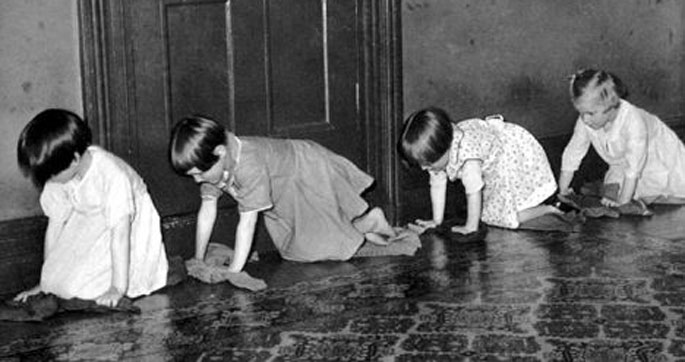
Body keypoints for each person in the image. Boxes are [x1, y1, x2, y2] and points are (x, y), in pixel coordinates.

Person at [169, 116, 399, 273]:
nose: (197, 180)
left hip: (306, 170)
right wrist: (198, 257)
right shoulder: (216, 161)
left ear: (219, 152)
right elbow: (207, 210)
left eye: (199, 174)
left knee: (315, 248)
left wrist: (234, 271)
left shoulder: (248, 163)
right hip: (285, 190)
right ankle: (363, 225)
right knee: (292, 249)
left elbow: (247, 223)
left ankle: (369, 221)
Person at [15, 109, 169, 308]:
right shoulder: (59, 174)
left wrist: (117, 288)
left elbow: (120, 235)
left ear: (74, 160)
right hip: (89, 217)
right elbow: (55, 225)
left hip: (126, 222)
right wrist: (45, 283)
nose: (49, 180)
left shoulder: (112, 175)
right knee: (58, 284)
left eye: (52, 174)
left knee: (79, 290)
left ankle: (117, 280)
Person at [398, 107, 559, 233]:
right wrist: (436, 220)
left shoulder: (469, 158)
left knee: (503, 218)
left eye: (427, 163)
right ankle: (532, 208)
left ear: (446, 148)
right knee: (493, 210)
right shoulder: (439, 152)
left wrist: (470, 227)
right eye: (420, 163)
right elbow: (437, 183)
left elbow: (474, 190)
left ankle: (549, 209)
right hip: (495, 157)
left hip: (510, 153)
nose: (424, 168)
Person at [559, 69, 685, 206]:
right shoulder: (586, 120)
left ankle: (658, 196)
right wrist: (564, 189)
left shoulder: (633, 122)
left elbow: (634, 167)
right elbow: (573, 152)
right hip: (622, 161)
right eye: (581, 113)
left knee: (670, 194)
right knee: (614, 188)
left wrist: (623, 203)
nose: (585, 119)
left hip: (657, 154)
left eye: (590, 113)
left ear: (610, 105)